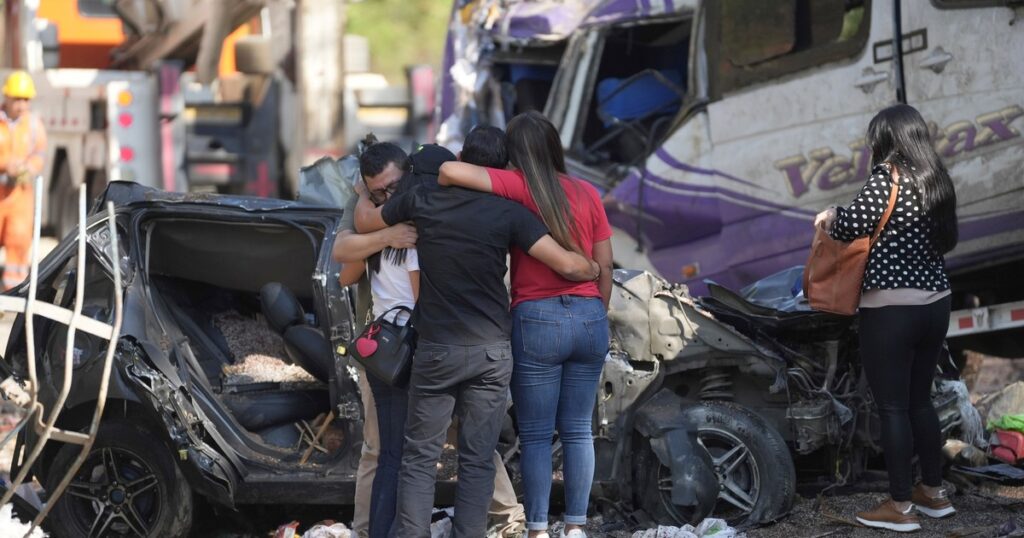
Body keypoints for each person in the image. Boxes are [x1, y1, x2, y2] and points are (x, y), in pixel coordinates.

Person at [355, 141, 599, 538]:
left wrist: (361, 193)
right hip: (491, 352)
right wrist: (596, 269)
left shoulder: (421, 202)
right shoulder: (509, 212)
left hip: (437, 351)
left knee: (419, 458)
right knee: (478, 459)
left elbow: (365, 223)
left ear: (462, 162)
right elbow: (568, 265)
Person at [437, 114, 614, 538]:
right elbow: (605, 265)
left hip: (537, 319)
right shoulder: (588, 192)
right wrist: (596, 312)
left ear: (514, 154)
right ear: (555, 146)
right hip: (589, 316)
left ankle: (537, 530)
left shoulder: (518, 185)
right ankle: (575, 527)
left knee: (535, 435)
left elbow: (449, 171)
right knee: (578, 430)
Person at [814, 104, 958, 533]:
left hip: (893, 309)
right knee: (920, 401)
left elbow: (851, 226)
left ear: (887, 141)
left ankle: (899, 506)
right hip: (936, 303)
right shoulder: (936, 179)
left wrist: (831, 214)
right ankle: (933, 492)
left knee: (892, 407)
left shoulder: (887, 178)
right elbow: (948, 239)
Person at [332, 136, 416, 538]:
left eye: (393, 187)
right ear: (366, 190)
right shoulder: (375, 217)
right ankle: (370, 530)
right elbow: (343, 263)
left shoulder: (414, 211)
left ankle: (508, 515)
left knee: (394, 453)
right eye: (378, 192)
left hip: (394, 348)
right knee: (384, 451)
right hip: (390, 349)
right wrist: (384, 237)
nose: (388, 198)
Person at [0, 71, 47, 290]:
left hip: (20, 194)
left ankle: (13, 293)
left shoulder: (33, 125)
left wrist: (28, 168)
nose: (21, 105)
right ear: (6, 97)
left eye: (26, 100)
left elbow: (40, 154)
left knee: (19, 242)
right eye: (17, 99)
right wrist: (5, 164)